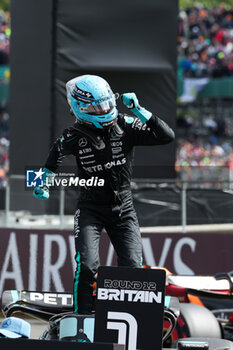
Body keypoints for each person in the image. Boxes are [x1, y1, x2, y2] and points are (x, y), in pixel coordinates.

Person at [33, 74, 175, 314]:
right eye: (97, 106)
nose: (104, 109)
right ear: (79, 107)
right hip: (90, 209)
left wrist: (139, 110)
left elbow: (166, 136)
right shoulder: (72, 136)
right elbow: (48, 166)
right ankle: (82, 322)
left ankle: (132, 321)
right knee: (87, 266)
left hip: (124, 209)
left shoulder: (126, 124)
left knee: (133, 267)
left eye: (107, 102)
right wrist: (40, 185)